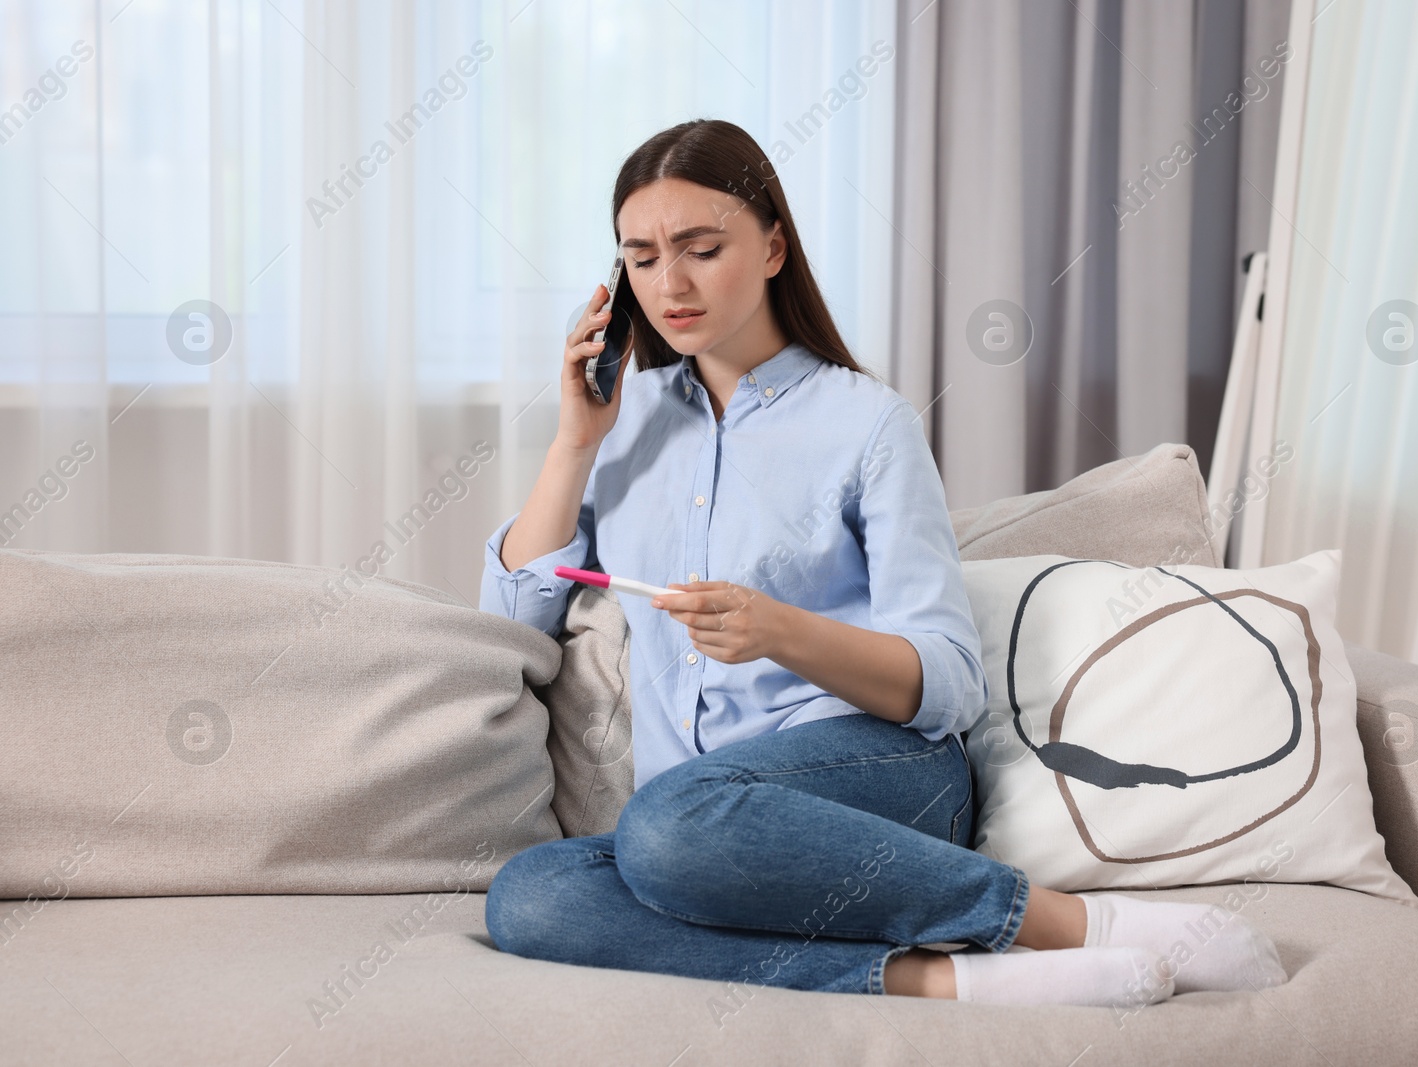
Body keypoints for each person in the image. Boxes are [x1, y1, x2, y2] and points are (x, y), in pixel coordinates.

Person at [479, 118, 1287, 1005]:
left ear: (774, 246)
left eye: (701, 249)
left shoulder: (869, 425)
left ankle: (1067, 922)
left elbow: (946, 683)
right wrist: (573, 441)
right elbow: (515, 626)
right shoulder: (621, 426)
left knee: (667, 824)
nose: (669, 283)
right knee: (532, 894)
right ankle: (934, 981)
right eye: (640, 259)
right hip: (701, 829)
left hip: (879, 778)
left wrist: (779, 630)